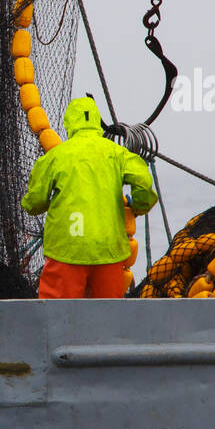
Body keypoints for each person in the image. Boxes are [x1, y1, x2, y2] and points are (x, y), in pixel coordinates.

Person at [20, 96, 158, 299]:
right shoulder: (118, 154)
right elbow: (144, 186)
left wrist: (44, 203)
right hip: (109, 252)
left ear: (69, 123)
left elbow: (34, 203)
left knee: (56, 317)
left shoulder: (54, 157)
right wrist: (138, 206)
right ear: (95, 121)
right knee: (107, 318)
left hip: (66, 251)